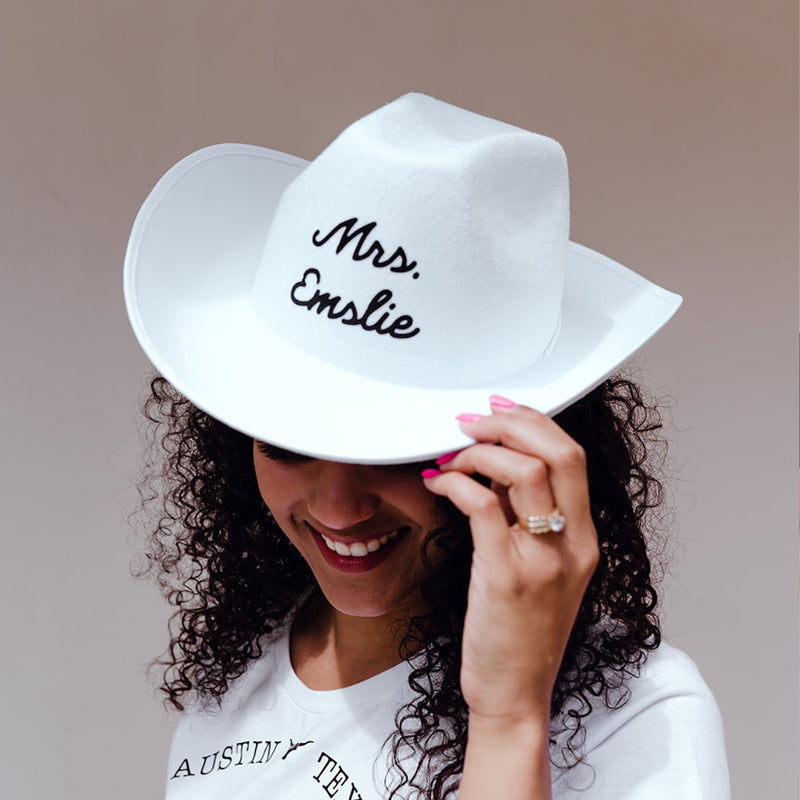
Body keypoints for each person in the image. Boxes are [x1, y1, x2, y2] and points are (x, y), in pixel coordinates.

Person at [124, 93, 729, 799]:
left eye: (397, 452)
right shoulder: (239, 677)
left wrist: (508, 716)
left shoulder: (637, 719)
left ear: (519, 453)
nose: (339, 506)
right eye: (288, 443)